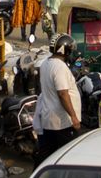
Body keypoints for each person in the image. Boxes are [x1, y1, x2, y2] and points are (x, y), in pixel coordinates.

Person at [33, 34, 81, 166]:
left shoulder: (46, 64)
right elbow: (63, 94)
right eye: (70, 49)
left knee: (46, 155)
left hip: (49, 120)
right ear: (65, 50)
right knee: (67, 157)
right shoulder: (59, 67)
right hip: (62, 122)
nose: (72, 52)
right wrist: (73, 117)